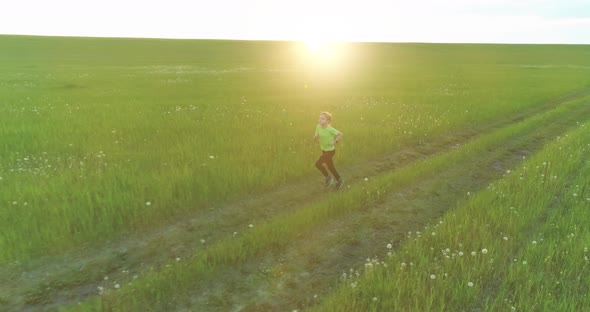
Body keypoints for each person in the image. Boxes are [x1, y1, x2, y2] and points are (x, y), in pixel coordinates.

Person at [313, 112, 344, 189]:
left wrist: (334, 141)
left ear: (327, 121)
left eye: (322, 119)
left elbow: (340, 134)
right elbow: (316, 138)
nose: (320, 120)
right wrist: (315, 138)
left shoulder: (330, 129)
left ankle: (328, 177)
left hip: (330, 151)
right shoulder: (318, 127)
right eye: (319, 118)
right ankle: (339, 180)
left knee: (318, 164)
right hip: (324, 150)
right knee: (330, 167)